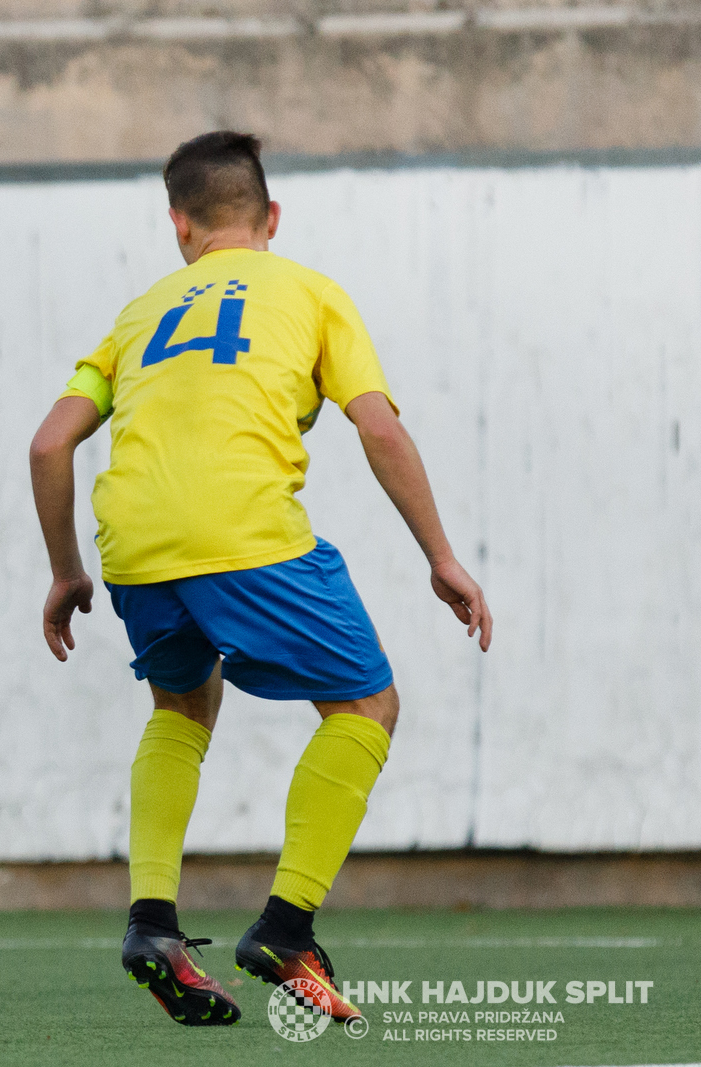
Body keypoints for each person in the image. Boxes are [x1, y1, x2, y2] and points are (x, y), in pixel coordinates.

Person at [28, 131, 492, 1027]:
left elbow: (50, 442)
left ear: (180, 226)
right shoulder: (312, 291)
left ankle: (152, 924)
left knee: (181, 707)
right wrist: (440, 554)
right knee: (368, 705)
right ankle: (285, 926)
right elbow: (378, 427)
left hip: (133, 544)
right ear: (270, 216)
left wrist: (65, 572)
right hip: (245, 531)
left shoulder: (139, 313)